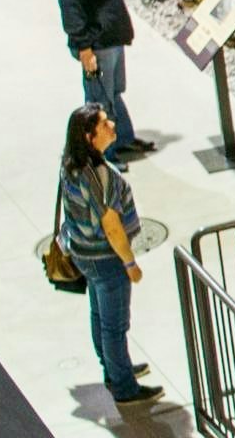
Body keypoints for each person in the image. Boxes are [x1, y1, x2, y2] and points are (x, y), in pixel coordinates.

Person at [57, 105, 163, 407]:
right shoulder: (102, 176)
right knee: (114, 326)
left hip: (83, 254)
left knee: (99, 315)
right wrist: (130, 263)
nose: (112, 125)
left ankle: (114, 369)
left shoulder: (70, 164)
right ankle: (124, 386)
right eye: (104, 124)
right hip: (106, 259)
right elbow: (113, 227)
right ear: (90, 137)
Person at [55, 0, 146, 160]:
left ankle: (123, 138)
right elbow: (71, 13)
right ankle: (104, 152)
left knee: (113, 93)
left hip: (111, 43)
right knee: (99, 100)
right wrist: (85, 50)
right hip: (96, 48)